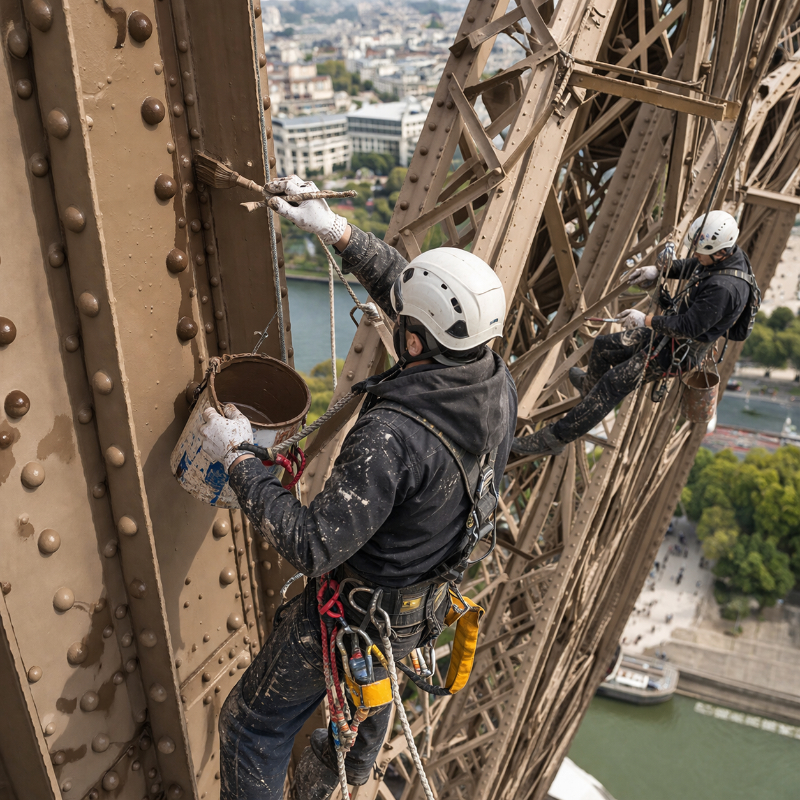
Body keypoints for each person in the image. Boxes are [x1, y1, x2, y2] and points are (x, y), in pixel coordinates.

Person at [200, 176, 518, 800]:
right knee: (349, 734)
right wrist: (334, 229)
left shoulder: (393, 436)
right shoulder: (491, 380)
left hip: (352, 614)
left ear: (415, 339)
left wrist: (238, 460)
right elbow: (419, 300)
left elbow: (315, 547)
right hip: (411, 616)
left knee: (250, 726)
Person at [512, 210, 754, 458]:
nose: (695, 254)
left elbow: (687, 327)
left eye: (700, 252)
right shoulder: (726, 257)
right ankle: (588, 390)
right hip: (668, 335)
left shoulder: (725, 289)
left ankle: (553, 439)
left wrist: (645, 320)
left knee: (612, 385)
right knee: (604, 346)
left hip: (676, 353)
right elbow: (698, 266)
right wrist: (660, 271)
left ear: (721, 251)